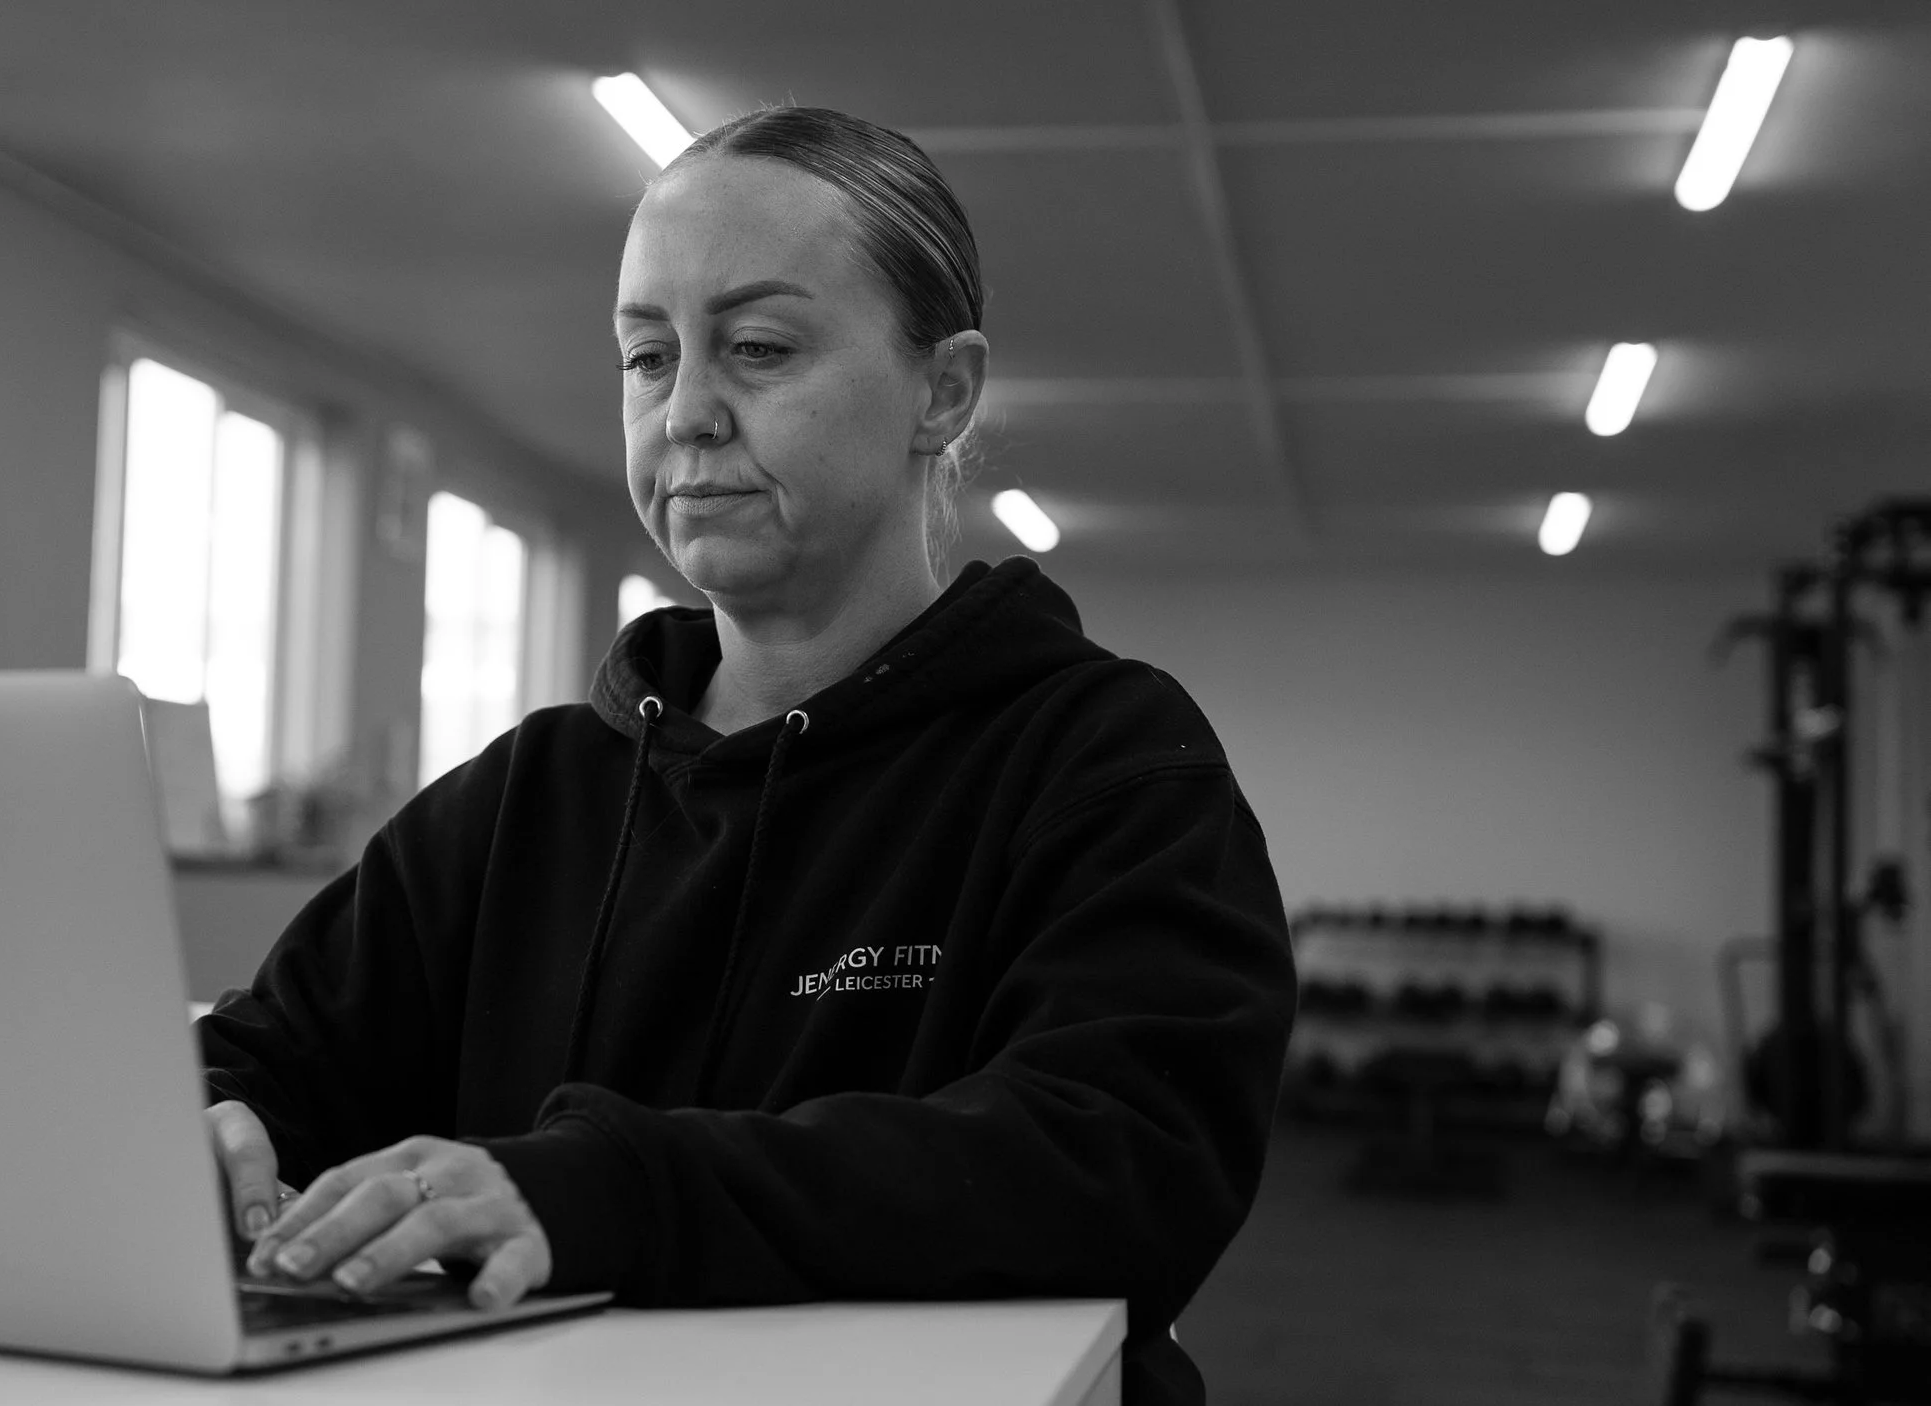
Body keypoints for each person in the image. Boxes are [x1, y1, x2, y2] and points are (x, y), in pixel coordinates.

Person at [198, 105, 1295, 1404]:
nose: (688, 414)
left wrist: (615, 1192)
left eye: (760, 349)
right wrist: (214, 1120)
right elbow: (277, 1050)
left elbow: (1118, 1165)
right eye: (647, 357)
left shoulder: (1109, 765)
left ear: (943, 392)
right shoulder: (530, 795)